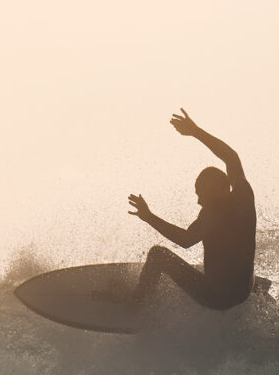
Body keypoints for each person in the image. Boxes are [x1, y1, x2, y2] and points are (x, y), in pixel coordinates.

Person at [110, 109, 257, 311]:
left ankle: (137, 305)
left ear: (215, 191)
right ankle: (256, 290)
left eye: (201, 195)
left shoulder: (213, 212)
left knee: (158, 255)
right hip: (244, 292)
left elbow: (186, 240)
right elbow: (231, 157)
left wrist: (149, 217)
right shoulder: (244, 195)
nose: (198, 201)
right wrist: (196, 132)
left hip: (217, 297)